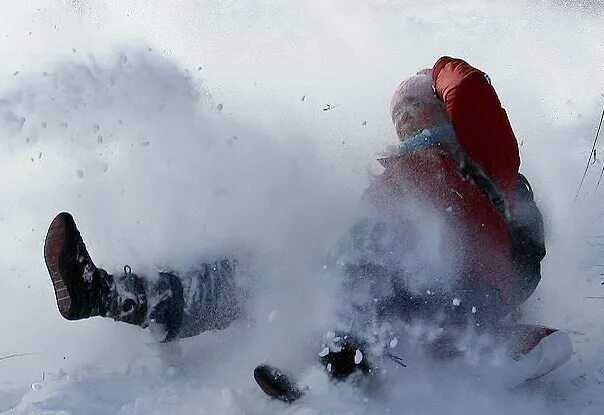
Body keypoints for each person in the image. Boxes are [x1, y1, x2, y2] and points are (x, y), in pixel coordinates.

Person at [44, 57, 566, 388]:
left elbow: (470, 89)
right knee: (262, 270)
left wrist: (435, 69)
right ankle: (119, 295)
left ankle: (344, 354)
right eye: (401, 118)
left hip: (456, 297)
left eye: (418, 112)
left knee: (371, 248)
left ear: (444, 113)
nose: (409, 126)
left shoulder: (489, 168)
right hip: (378, 292)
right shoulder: (390, 184)